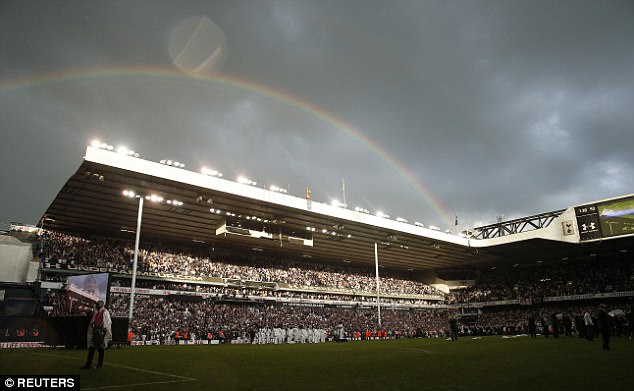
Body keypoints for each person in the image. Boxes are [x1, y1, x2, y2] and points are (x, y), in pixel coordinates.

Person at [81, 300, 112, 369]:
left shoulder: (105, 312)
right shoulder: (98, 312)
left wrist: (102, 329)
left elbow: (107, 323)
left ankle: (99, 365)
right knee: (92, 348)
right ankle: (89, 364)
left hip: (100, 333)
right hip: (96, 332)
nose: (96, 306)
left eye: (97, 305)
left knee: (100, 349)